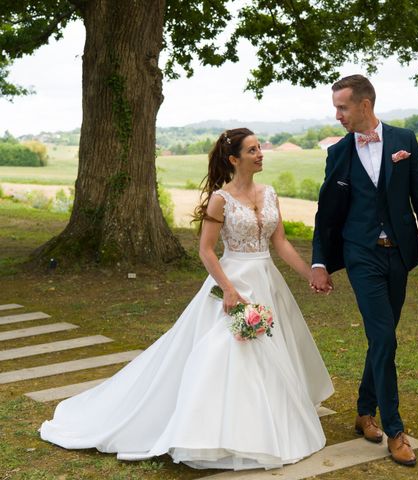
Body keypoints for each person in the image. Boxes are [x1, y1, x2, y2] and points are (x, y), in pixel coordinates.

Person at [40, 128, 334, 471]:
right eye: (253, 150)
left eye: (259, 148)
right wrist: (227, 288)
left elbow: (281, 243)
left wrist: (311, 273)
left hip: (267, 281)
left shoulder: (270, 194)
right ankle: (213, 433)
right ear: (234, 159)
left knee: (272, 354)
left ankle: (266, 424)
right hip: (233, 279)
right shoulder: (220, 199)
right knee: (224, 352)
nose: (260, 154)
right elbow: (206, 250)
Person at [310, 75, 418, 467]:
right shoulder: (339, 153)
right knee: (384, 337)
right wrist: (319, 261)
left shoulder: (404, 141)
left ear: (365, 105)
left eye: (343, 107)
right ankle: (395, 431)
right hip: (361, 254)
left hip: (399, 255)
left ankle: (365, 410)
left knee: (383, 339)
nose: (337, 116)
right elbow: (327, 213)